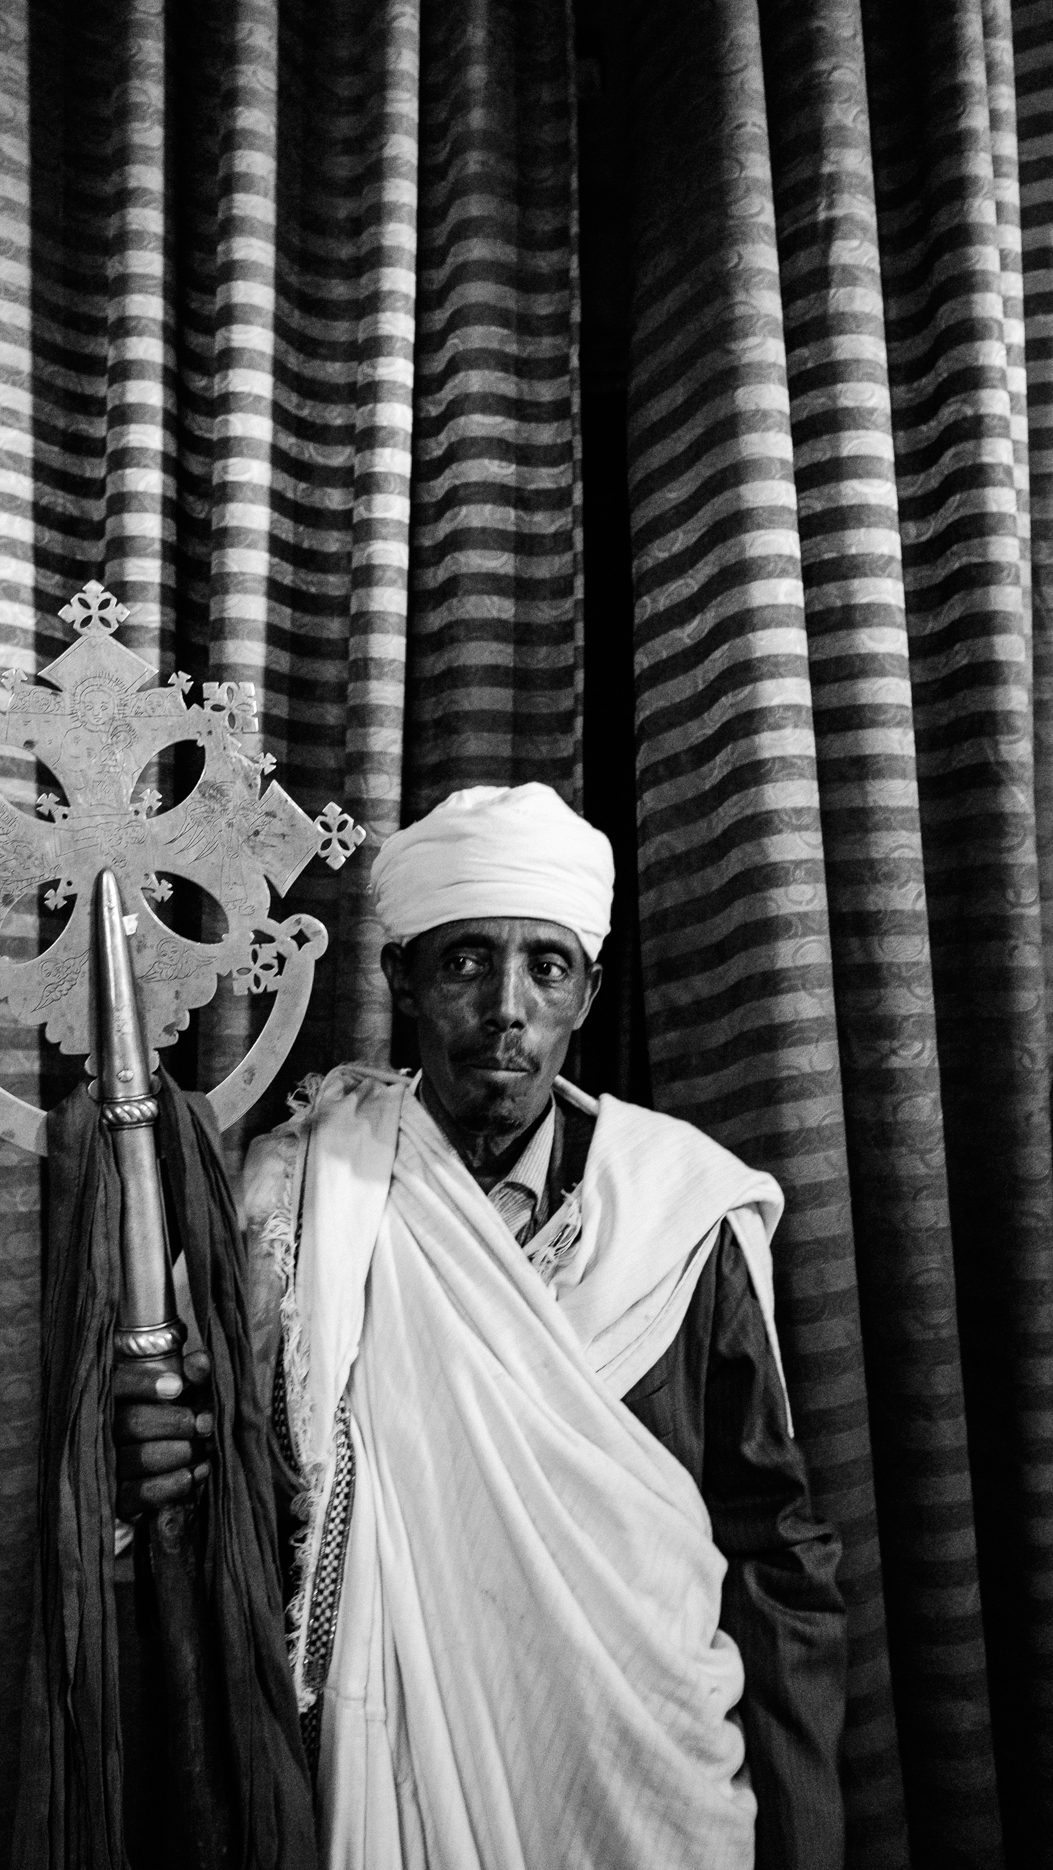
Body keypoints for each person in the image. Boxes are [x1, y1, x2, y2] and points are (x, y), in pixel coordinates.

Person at [115, 783, 846, 1870]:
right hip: (385, 1772)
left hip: (644, 1774)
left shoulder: (680, 1211)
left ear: (589, 991)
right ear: (401, 977)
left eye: (546, 965)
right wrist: (160, 1447)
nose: (506, 1005)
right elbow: (227, 1495)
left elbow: (771, 1543)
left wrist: (802, 1832)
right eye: (464, 961)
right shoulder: (294, 1197)